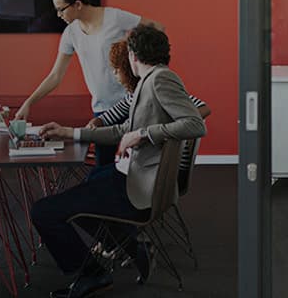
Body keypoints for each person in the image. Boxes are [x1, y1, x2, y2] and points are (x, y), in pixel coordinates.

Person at [32, 25, 205, 298]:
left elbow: (195, 124)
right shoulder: (151, 80)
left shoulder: (160, 80)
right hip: (131, 175)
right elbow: (121, 130)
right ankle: (132, 247)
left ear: (134, 55)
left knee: (44, 211)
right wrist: (70, 132)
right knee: (90, 182)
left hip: (138, 187)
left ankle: (93, 274)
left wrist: (142, 134)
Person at [13, 0, 162, 167]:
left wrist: (138, 57)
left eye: (62, 9)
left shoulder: (114, 17)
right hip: (102, 109)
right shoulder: (71, 33)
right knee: (103, 166)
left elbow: (157, 28)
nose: (59, 15)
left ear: (78, 4)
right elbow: (55, 76)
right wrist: (29, 103)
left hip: (132, 103)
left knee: (139, 164)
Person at [82, 39, 210, 182]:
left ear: (129, 66)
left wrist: (165, 123)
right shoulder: (134, 95)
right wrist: (96, 121)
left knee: (96, 179)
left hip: (167, 166)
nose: (114, 72)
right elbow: (109, 116)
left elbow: (203, 108)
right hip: (153, 163)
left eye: (117, 68)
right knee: (96, 175)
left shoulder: (158, 87)